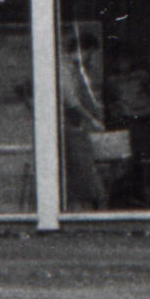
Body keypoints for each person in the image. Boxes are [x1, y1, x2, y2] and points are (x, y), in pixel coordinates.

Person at [55, 29, 110, 210]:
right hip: (69, 127)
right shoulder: (64, 68)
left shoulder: (78, 71)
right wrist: (92, 119)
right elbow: (71, 101)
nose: (90, 58)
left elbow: (86, 97)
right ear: (82, 50)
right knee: (82, 171)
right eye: (90, 53)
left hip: (76, 126)